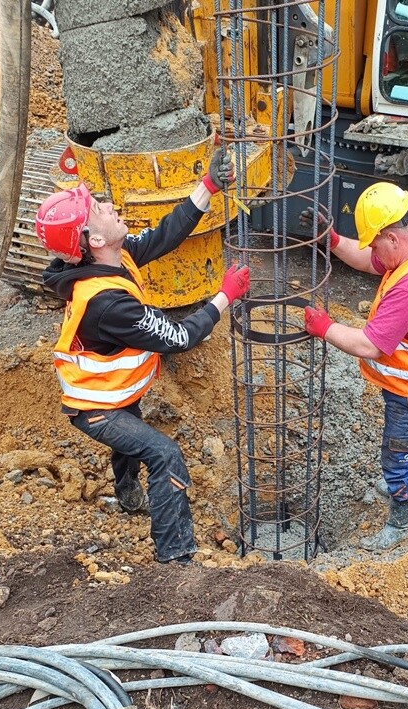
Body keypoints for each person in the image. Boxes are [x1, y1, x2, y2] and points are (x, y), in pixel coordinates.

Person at [34, 148, 249, 565]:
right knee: (164, 453)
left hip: (115, 392)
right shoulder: (110, 305)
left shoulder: (110, 257)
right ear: (93, 240)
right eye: (99, 208)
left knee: (131, 423)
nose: (111, 206)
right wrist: (226, 296)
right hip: (96, 406)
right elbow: (180, 335)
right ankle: (176, 558)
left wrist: (208, 187)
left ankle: (128, 492)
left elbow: (163, 237)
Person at [302, 181, 408, 552]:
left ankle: (399, 523)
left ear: (392, 237)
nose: (372, 251)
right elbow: (372, 262)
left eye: (374, 242)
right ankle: (403, 480)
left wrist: (323, 327)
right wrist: (333, 239)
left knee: (399, 452)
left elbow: (369, 345)